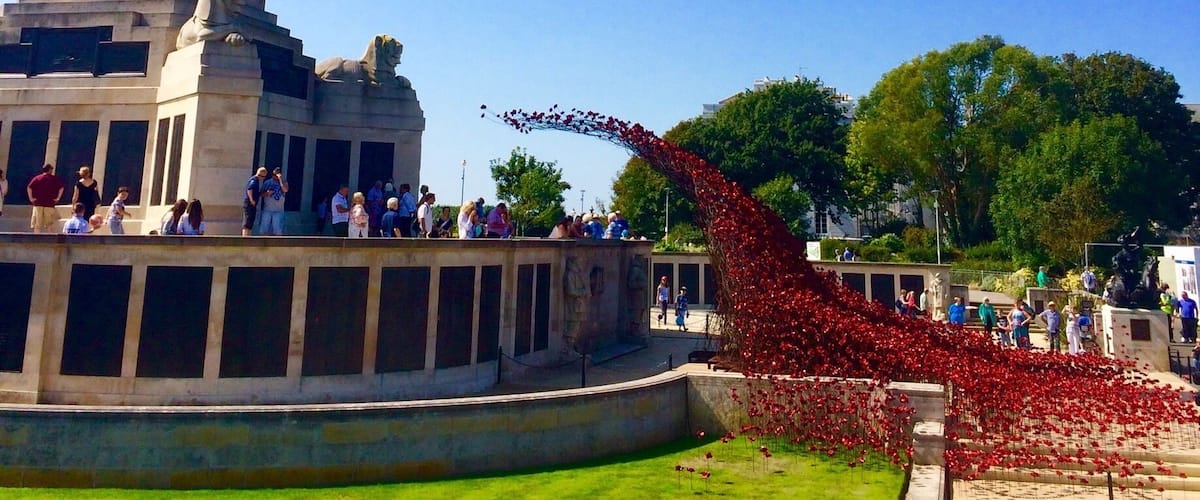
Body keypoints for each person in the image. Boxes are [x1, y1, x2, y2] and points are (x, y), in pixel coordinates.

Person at [27, 164, 64, 233]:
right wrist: (58, 198)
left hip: (38, 203)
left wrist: (31, 198)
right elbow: (61, 188)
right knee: (49, 224)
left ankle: (36, 238)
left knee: (37, 224)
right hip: (49, 203)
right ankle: (49, 238)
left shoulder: (37, 178)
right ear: (49, 170)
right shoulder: (54, 179)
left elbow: (29, 187)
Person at [259, 167, 288, 236]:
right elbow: (261, 194)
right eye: (274, 175)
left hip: (278, 210)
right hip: (267, 209)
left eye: (277, 174)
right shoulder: (267, 182)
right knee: (264, 228)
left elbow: (285, 190)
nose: (275, 176)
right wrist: (267, 193)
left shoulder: (284, 182)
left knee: (277, 229)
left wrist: (280, 180)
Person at [242, 167, 268, 236]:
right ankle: (245, 238)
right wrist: (252, 200)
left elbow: (256, 193)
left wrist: (263, 193)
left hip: (252, 204)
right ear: (260, 175)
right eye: (263, 177)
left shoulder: (256, 181)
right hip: (250, 204)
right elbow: (249, 189)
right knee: (248, 221)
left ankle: (248, 237)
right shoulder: (254, 180)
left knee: (250, 221)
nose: (263, 178)